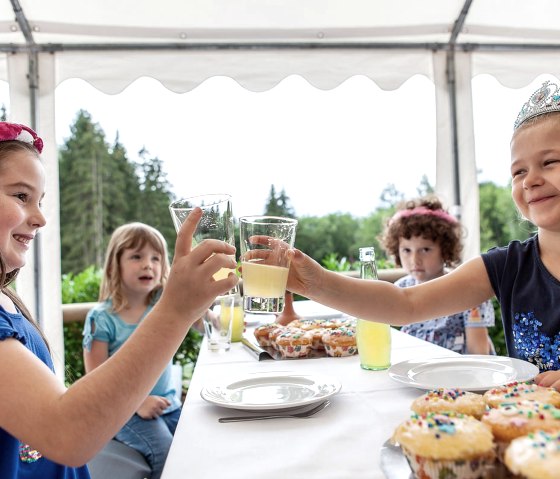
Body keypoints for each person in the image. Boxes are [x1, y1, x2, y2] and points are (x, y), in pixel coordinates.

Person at [284, 80, 560, 390]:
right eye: (518, 172)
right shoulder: (507, 266)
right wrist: (316, 283)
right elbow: (405, 303)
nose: (530, 180)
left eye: (550, 162)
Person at [0, 121, 238, 478]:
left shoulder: (9, 304)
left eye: (40, 201)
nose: (40, 218)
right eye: (21, 196)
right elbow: (68, 433)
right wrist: (175, 309)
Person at [82, 223, 179, 479]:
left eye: (155, 258)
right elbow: (96, 382)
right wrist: (137, 402)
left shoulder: (163, 307)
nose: (148, 264)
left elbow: (201, 319)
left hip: (168, 405)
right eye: (137, 256)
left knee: (197, 446)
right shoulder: (101, 319)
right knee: (167, 453)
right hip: (123, 412)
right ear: (116, 264)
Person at [380, 196, 495, 354]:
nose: (415, 260)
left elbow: (479, 352)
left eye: (425, 249)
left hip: (458, 374)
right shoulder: (401, 289)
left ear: (445, 250)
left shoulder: (465, 289)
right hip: (413, 372)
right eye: (406, 250)